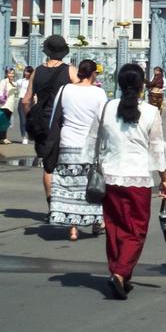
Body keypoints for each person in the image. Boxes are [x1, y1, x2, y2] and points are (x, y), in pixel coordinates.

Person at [85, 62, 166, 299]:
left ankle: (118, 271)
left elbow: (93, 140)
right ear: (143, 85)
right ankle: (121, 273)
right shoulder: (151, 112)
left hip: (110, 177)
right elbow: (157, 149)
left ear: (120, 83)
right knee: (136, 229)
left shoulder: (107, 108)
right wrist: (164, 178)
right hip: (138, 178)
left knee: (114, 226)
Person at [50, 59, 108, 241]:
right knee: (91, 185)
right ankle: (96, 222)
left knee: (69, 185)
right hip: (89, 145)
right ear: (93, 74)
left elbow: (55, 117)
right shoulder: (99, 93)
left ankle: (73, 228)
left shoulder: (65, 89)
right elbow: (104, 121)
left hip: (67, 143)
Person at [23, 35, 76, 207]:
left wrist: (30, 119)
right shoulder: (70, 71)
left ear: (47, 51)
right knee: (68, 161)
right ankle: (67, 202)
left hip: (43, 123)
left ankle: (51, 204)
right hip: (64, 121)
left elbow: (26, 100)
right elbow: (81, 93)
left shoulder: (37, 71)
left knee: (48, 165)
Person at [0, 66, 19, 144]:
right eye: (10, 73)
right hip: (4, 105)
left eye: (13, 73)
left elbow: (15, 93)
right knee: (3, 121)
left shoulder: (14, 83)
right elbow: (0, 90)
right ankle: (1, 138)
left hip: (10, 105)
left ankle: (4, 137)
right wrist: (0, 98)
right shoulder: (4, 81)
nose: (11, 75)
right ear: (7, 74)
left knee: (6, 122)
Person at [16, 66, 34, 144]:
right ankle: (24, 136)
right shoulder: (20, 81)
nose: (26, 73)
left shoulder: (33, 81)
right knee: (23, 120)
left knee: (30, 119)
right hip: (22, 100)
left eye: (28, 72)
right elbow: (13, 85)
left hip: (31, 101)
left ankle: (30, 134)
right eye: (25, 71)